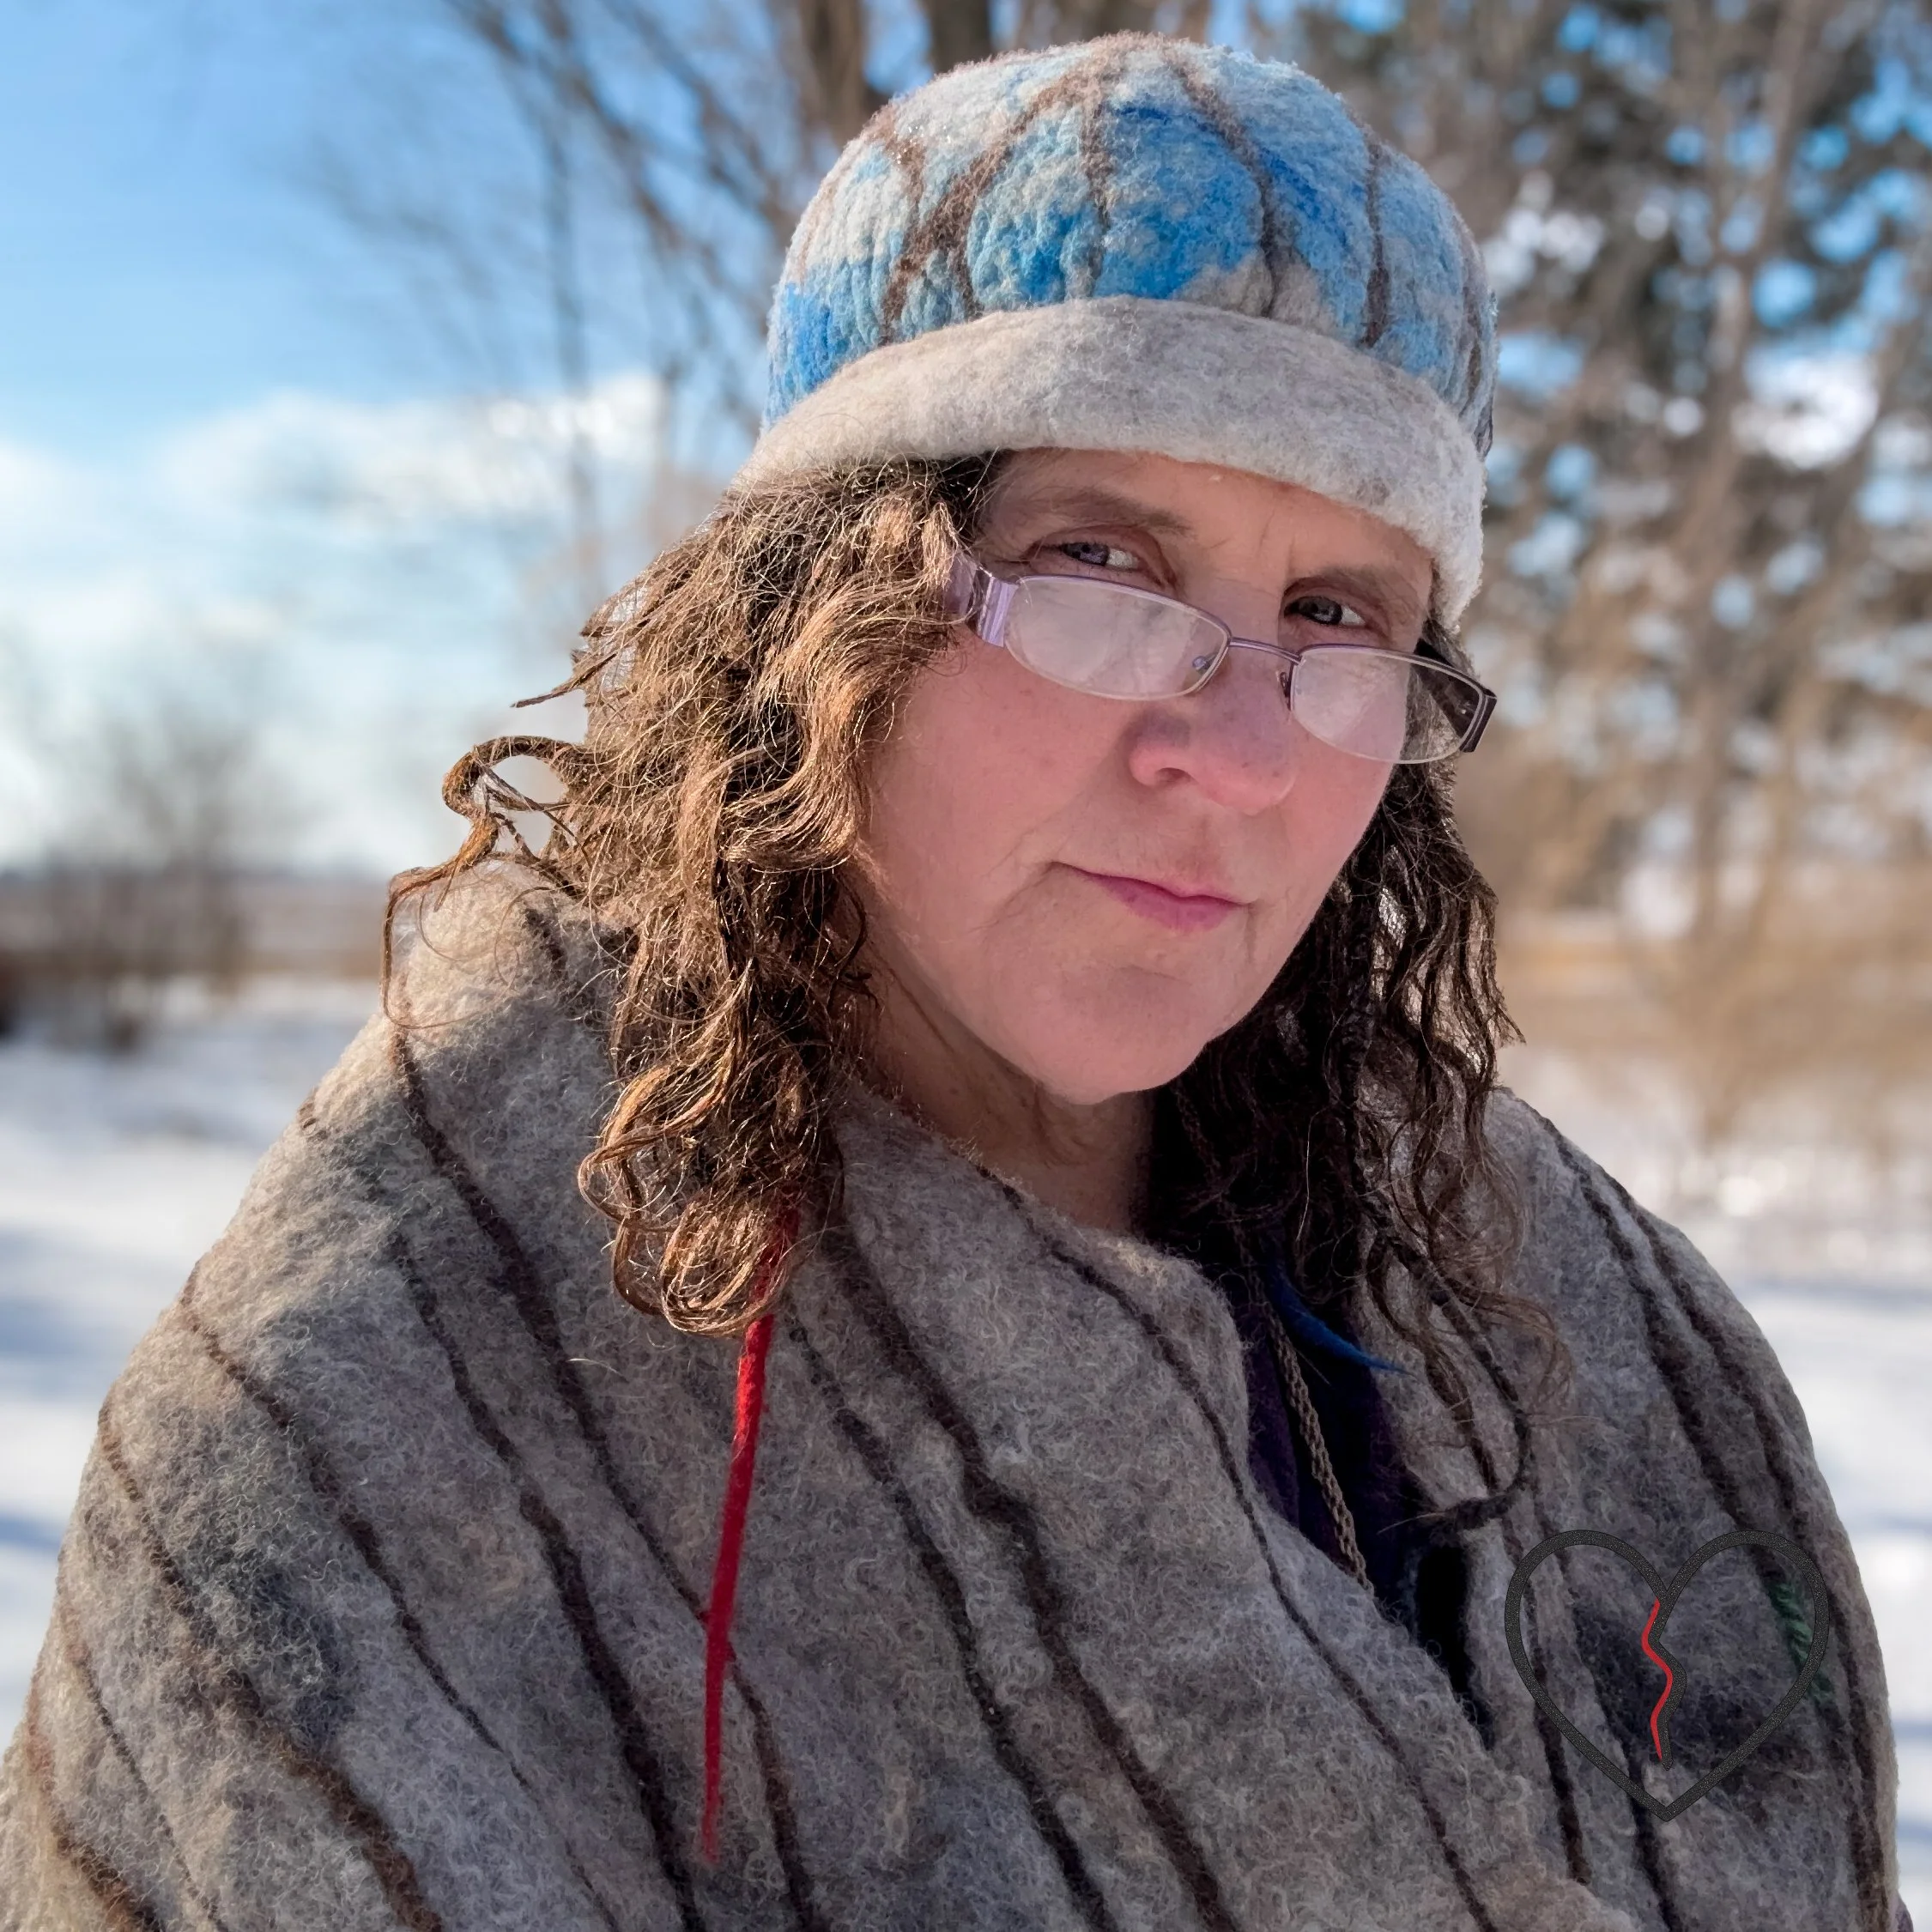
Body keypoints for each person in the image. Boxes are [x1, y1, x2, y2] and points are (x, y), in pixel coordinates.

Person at [0, 33, 1907, 1932]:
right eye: (1097, 560)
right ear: (822, 623)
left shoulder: (1557, 1284)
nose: (1234, 756)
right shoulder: (379, 1389)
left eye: (1339, 617)